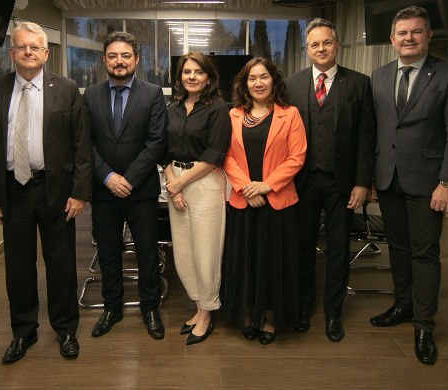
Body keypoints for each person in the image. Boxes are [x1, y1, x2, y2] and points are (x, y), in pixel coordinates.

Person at [0, 22, 92, 363]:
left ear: (45, 53)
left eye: (34, 47)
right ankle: (23, 332)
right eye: (21, 46)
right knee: (19, 268)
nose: (28, 52)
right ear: (11, 53)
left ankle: (66, 328)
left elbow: (81, 144)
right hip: (12, 192)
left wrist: (79, 193)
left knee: (61, 263)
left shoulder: (66, 88)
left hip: (55, 190)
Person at [369, 5, 448, 365]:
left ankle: (425, 326)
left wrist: (447, 182)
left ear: (429, 36)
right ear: (392, 38)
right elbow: (376, 130)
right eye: (402, 33)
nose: (409, 38)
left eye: (416, 32)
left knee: (424, 253)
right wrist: (369, 179)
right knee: (396, 247)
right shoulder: (378, 76)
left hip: (429, 182)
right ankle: (403, 305)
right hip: (388, 178)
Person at [285, 18, 376, 342]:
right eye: (314, 44)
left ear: (337, 46)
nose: (321, 48)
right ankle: (302, 308)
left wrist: (363, 183)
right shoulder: (292, 85)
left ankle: (334, 313)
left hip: (343, 184)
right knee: (301, 248)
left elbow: (367, 138)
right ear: (306, 49)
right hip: (302, 182)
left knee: (339, 250)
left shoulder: (359, 84)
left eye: (326, 43)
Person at [85, 31, 168, 340]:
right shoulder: (91, 95)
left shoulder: (153, 93)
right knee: (108, 253)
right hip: (104, 192)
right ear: (104, 60)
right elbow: (85, 142)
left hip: (141, 191)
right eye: (112, 56)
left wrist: (128, 179)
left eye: (125, 56)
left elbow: (156, 142)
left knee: (147, 252)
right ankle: (112, 307)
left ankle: (150, 307)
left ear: (137, 59)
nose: (119, 62)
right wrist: (108, 177)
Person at [221, 57, 307, 345]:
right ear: (244, 84)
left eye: (264, 77)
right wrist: (248, 188)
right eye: (252, 78)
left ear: (274, 81)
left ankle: (270, 318)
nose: (258, 83)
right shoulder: (232, 115)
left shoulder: (290, 114)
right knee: (245, 262)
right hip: (243, 202)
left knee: (273, 263)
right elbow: (226, 156)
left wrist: (266, 186)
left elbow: (297, 157)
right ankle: (247, 315)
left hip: (277, 201)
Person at [162, 52, 231, 345]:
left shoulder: (218, 109)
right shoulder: (172, 108)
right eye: (186, 72)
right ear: (180, 77)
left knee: (206, 253)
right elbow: (162, 150)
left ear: (208, 77)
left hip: (203, 183)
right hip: (174, 180)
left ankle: (206, 312)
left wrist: (179, 185)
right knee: (184, 254)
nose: (192, 77)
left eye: (198, 72)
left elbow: (215, 154)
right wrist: (171, 184)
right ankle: (197, 303)